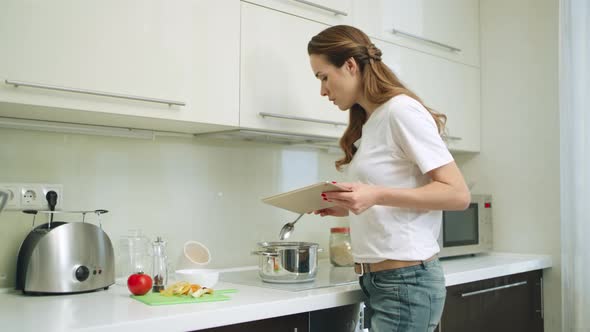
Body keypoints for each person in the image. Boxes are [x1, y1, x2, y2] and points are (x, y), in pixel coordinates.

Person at [308, 25, 471, 332]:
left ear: (351, 66)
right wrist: (350, 204)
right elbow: (397, 191)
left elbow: (457, 194)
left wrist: (375, 195)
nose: (322, 90)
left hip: (406, 282)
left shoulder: (401, 111)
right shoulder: (371, 122)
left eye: (323, 77)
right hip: (381, 282)